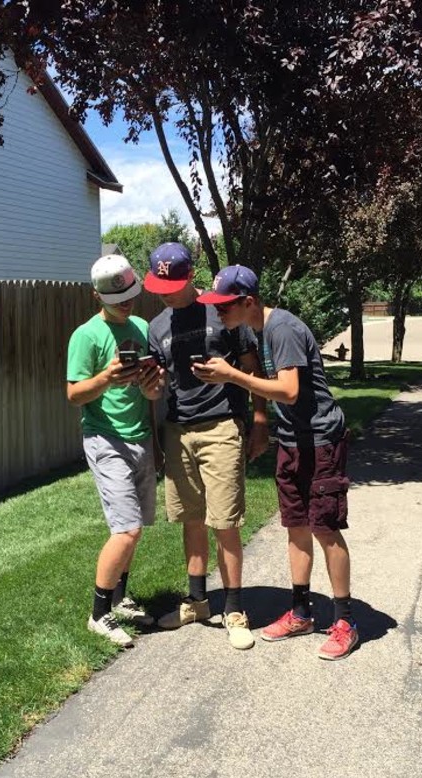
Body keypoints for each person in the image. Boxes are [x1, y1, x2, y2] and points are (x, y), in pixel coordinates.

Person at [196, 264, 359, 660]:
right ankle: (301, 611)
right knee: (297, 527)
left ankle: (345, 622)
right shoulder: (253, 329)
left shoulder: (282, 329)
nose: (218, 312)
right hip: (292, 440)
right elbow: (264, 379)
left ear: (248, 301)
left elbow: (288, 391)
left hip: (320, 440)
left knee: (325, 528)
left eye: (223, 305)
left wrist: (231, 376)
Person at [144, 242, 269, 650]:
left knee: (225, 522)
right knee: (191, 520)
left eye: (172, 284)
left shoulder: (222, 311)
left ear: (189, 277)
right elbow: (160, 386)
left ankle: (234, 609)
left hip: (221, 428)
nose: (164, 292)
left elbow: (253, 369)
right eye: (159, 284)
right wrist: (152, 389)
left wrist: (260, 422)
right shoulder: (156, 326)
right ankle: (197, 601)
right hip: (178, 432)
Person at [66, 254, 165, 647]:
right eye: (118, 297)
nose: (127, 302)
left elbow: (153, 391)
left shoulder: (141, 327)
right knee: (126, 530)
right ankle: (99, 614)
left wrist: (150, 386)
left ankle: (121, 598)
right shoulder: (86, 336)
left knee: (135, 530)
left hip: (140, 436)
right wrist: (106, 377)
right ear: (97, 296)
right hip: (105, 439)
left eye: (130, 293)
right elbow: (74, 394)